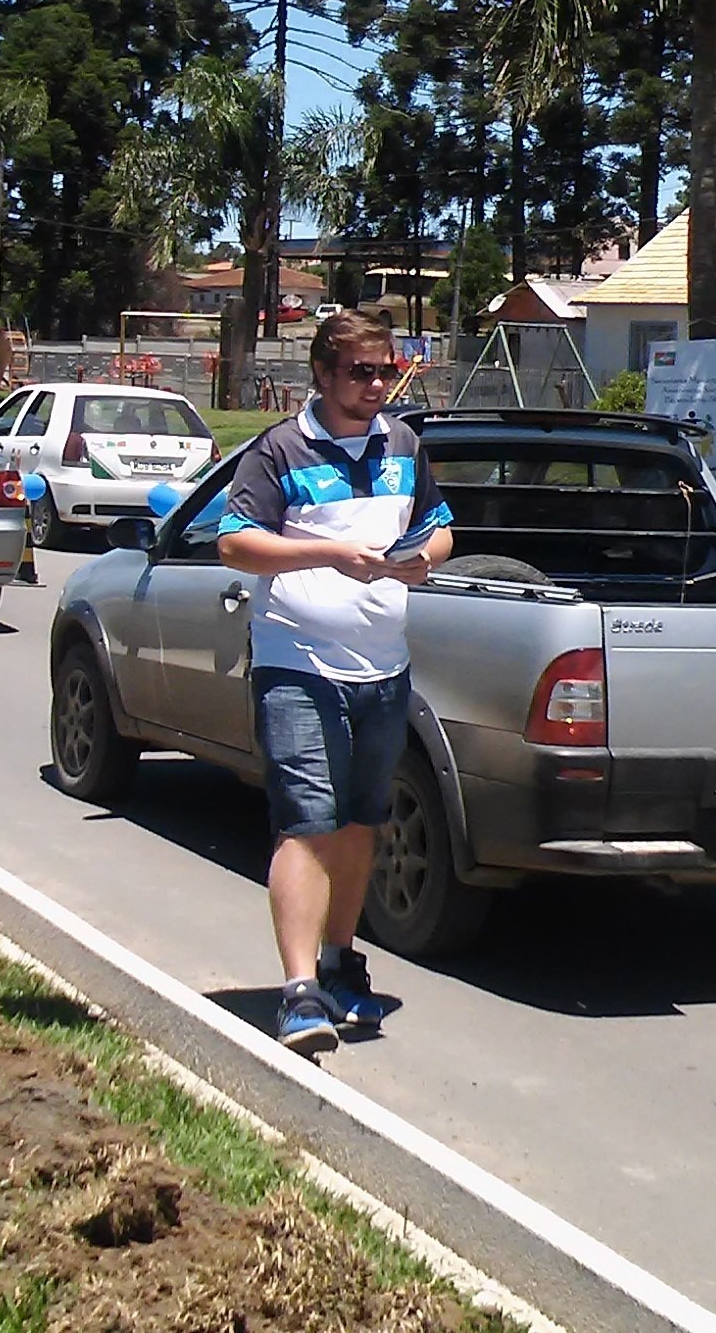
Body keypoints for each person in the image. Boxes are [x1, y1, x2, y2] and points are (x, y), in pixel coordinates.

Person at [212, 311, 453, 1057]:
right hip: (298, 663)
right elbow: (233, 542)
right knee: (306, 822)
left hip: (383, 667)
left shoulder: (404, 445)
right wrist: (325, 554)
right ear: (322, 373)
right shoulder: (279, 449)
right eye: (360, 372)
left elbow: (440, 524)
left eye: (387, 371)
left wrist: (425, 558)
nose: (376, 385)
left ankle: (340, 959)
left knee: (359, 822)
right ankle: (297, 992)